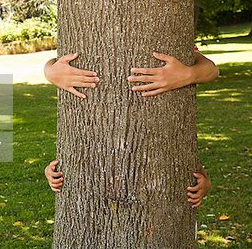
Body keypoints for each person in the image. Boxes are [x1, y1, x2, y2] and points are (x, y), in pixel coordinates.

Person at [44, 48, 219, 208]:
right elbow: (54, 61)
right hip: (89, 186)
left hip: (157, 186)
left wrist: (188, 74)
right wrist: (49, 71)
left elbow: (210, 69)